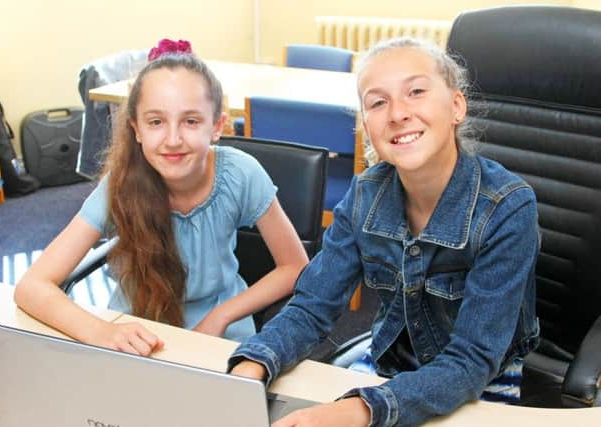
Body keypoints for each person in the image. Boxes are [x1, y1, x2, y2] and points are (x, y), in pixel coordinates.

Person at [228, 37, 540, 427]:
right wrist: (252, 364)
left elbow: (472, 361)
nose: (397, 114)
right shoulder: (365, 195)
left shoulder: (508, 206)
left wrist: (359, 409)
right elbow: (311, 307)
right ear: (366, 125)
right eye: (378, 102)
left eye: (416, 92)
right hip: (393, 357)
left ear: (456, 106)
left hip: (481, 376)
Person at [14, 39, 309, 356]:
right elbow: (32, 286)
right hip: (138, 332)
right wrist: (101, 331)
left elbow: (294, 266)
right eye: (156, 122)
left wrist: (221, 315)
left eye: (191, 121)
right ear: (136, 129)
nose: (172, 140)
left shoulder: (242, 173)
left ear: (216, 126)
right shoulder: (121, 183)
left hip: (220, 331)